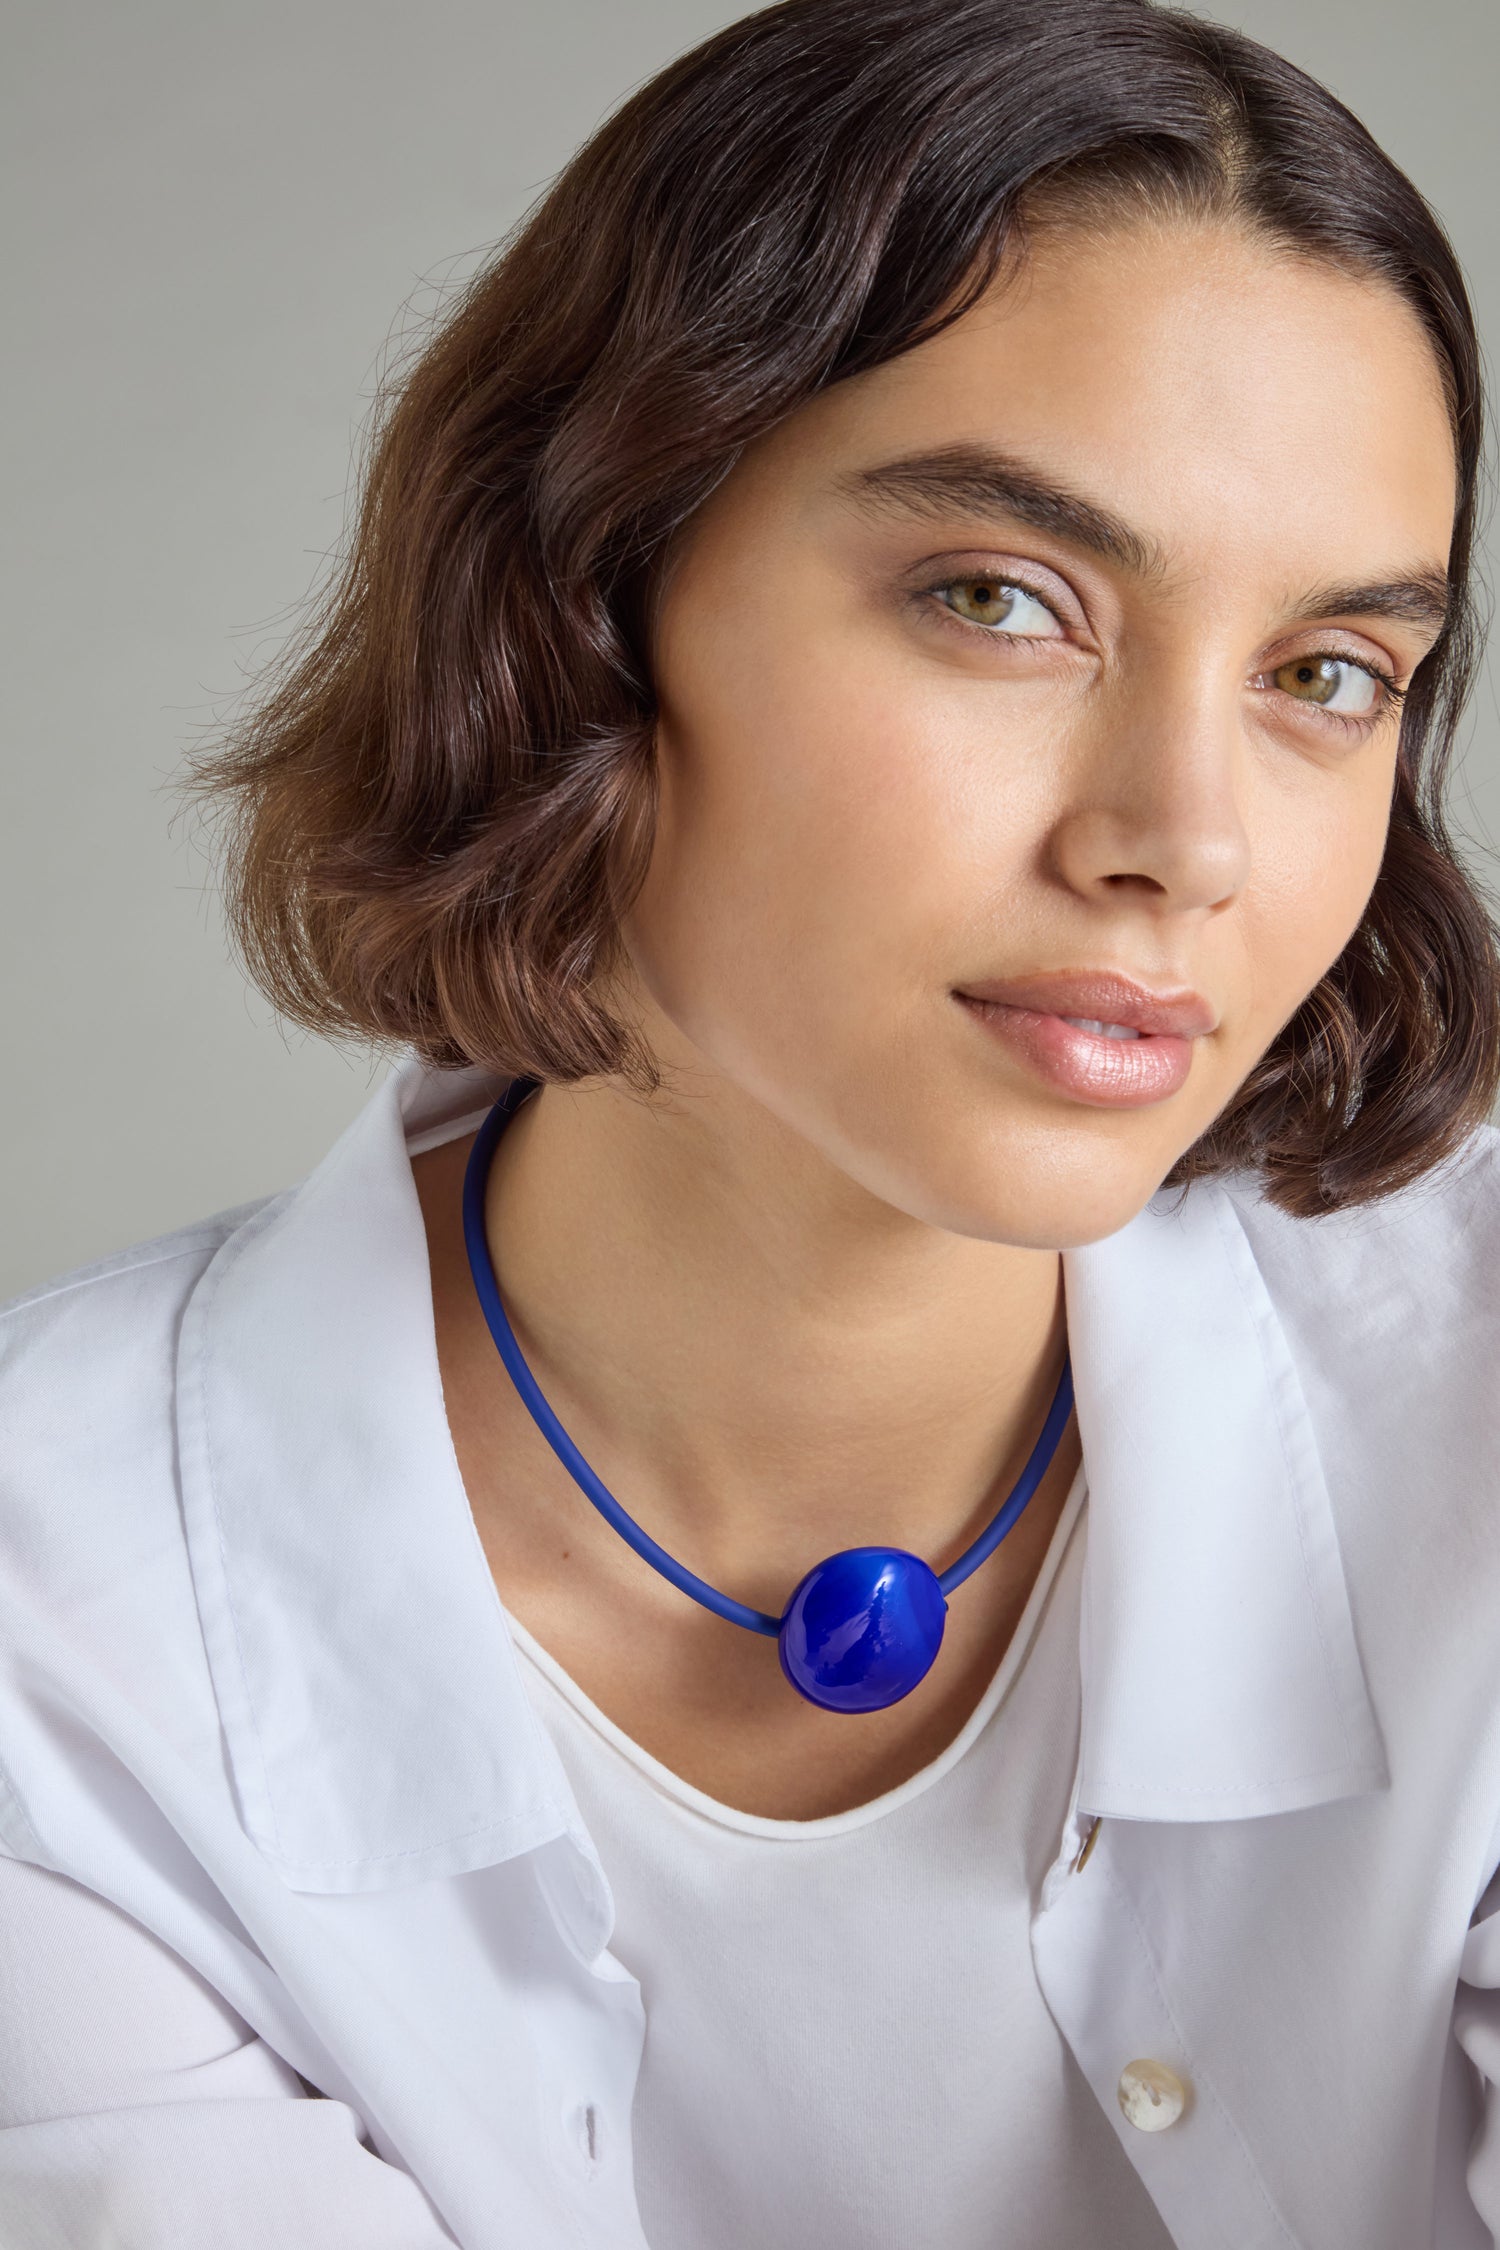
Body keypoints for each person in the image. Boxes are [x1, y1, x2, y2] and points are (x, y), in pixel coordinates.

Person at [3, 0, 1500, 2242]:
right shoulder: (50, 1639)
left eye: (1327, 675)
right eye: (1005, 601)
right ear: (586, 608)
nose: (1185, 839)